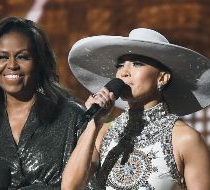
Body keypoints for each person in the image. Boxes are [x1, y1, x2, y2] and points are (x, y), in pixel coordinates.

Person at [61, 28, 210, 190]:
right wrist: (94, 123)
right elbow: (70, 187)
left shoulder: (185, 139)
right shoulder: (103, 134)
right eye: (120, 65)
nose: (124, 72)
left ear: (162, 77)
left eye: (137, 64)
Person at [0, 16, 86, 189]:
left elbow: (92, 182)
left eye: (23, 57)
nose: (12, 65)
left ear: (39, 62)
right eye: (2, 57)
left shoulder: (71, 118)